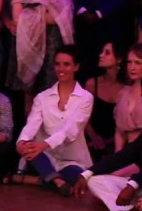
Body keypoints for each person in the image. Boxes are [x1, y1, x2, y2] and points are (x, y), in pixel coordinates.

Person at [72, 67, 142, 211]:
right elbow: (126, 154)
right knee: (94, 181)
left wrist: (133, 184)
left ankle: (130, 210)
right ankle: (129, 210)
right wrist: (87, 173)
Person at [13, 46, 93, 195]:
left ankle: (45, 180)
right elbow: (32, 124)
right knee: (32, 152)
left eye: (66, 64)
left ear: (76, 67)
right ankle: (57, 181)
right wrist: (21, 142)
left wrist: (43, 144)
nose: (60, 68)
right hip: (44, 155)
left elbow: (70, 130)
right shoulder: (42, 97)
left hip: (71, 159)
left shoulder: (86, 98)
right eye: (57, 64)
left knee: (76, 178)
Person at [9, 0, 75, 109]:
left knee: (49, 88)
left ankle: (48, 132)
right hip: (27, 38)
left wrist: (33, 14)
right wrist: (41, 14)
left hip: (52, 38)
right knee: (28, 90)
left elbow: (63, 17)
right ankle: (28, 132)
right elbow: (17, 15)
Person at [83, 42, 126, 158]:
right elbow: (84, 115)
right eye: (101, 52)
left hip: (117, 142)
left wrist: (110, 141)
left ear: (119, 59)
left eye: (107, 53)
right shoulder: (92, 84)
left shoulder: (127, 87)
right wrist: (94, 138)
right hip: (92, 141)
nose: (101, 55)